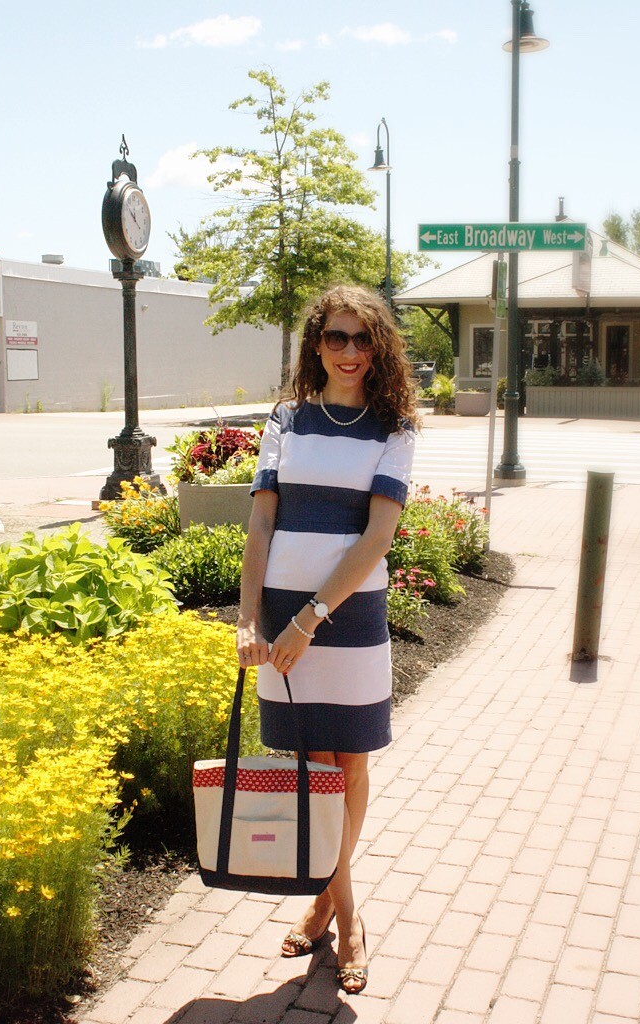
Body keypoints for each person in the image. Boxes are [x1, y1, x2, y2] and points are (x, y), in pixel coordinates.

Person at [236, 284, 417, 995]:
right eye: (335, 338)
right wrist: (252, 617)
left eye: (362, 339)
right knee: (314, 766)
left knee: (350, 764)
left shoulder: (394, 427)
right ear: (316, 344)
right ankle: (343, 910)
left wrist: (312, 618)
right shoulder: (284, 419)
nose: (348, 352)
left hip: (345, 617)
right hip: (282, 615)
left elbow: (378, 535)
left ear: (379, 349)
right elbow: (259, 528)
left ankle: (335, 913)